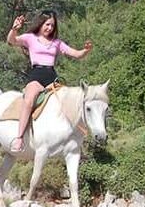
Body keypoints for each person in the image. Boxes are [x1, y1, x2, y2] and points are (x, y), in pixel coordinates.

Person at [7, 11, 92, 154]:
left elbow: (76, 54)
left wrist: (86, 50)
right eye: (47, 24)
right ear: (40, 24)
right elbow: (12, 41)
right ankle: (19, 137)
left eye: (52, 25)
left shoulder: (57, 43)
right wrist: (14, 29)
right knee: (29, 101)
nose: (50, 28)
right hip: (36, 75)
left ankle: (72, 135)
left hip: (52, 76)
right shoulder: (30, 38)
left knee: (66, 102)